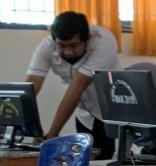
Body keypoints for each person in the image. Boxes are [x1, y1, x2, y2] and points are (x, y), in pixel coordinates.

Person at [26, 11, 120, 156]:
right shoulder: (47, 45)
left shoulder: (104, 41)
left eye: (74, 46)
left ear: (87, 39)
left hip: (107, 109)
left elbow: (77, 88)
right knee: (83, 158)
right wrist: (33, 130)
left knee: (103, 159)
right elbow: (29, 89)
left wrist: (52, 134)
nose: (68, 52)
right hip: (82, 112)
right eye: (62, 46)